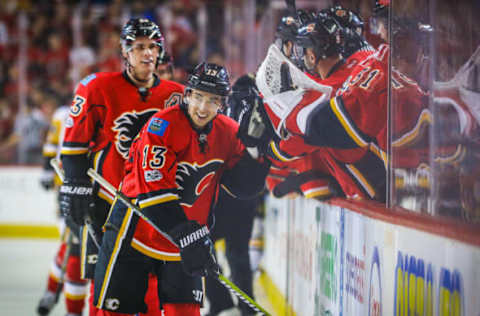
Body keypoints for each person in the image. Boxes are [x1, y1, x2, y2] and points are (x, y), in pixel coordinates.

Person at [93, 62, 269, 315]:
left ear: (222, 103)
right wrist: (188, 234)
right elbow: (154, 194)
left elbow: (242, 188)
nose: (202, 107)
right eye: (198, 96)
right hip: (135, 235)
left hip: (183, 242)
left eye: (212, 100)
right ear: (187, 94)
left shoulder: (228, 132)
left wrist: (254, 151)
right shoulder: (161, 126)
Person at [59, 18, 184, 315]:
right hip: (107, 204)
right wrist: (75, 184)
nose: (148, 53)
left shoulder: (177, 96)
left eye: (153, 47)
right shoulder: (97, 87)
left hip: (154, 205)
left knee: (153, 284)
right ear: (125, 52)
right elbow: (73, 147)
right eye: (140, 47)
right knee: (103, 287)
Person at [204, 74, 263, 316]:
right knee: (235, 253)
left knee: (208, 250)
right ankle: (244, 308)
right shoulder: (257, 110)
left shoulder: (228, 113)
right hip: (241, 197)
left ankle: (223, 302)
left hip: (224, 197)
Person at [37, 104, 88, 316]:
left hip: (100, 192)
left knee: (79, 247)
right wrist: (48, 170)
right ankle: (69, 306)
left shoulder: (111, 111)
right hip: (70, 189)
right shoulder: (63, 114)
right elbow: (51, 145)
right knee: (74, 246)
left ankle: (53, 291)